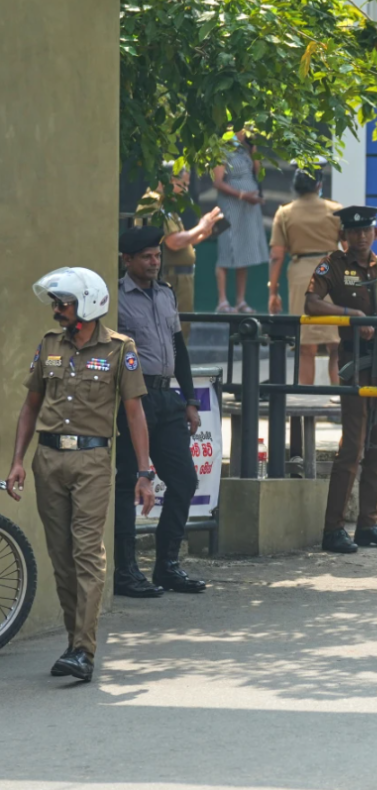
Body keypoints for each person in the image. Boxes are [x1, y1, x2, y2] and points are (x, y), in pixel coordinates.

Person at [5, 267, 153, 682]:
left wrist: (145, 472)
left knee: (87, 553)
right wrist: (18, 460)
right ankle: (75, 643)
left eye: (63, 303)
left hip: (91, 463)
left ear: (88, 304)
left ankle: (84, 651)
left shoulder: (121, 349)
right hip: (48, 461)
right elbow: (31, 407)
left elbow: (134, 413)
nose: (56, 311)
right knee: (61, 557)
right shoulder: (50, 345)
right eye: (55, 303)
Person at [306, 205, 377, 554]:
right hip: (355, 361)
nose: (360, 236)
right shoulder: (333, 266)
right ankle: (333, 529)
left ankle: (369, 524)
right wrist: (350, 315)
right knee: (352, 447)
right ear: (344, 236)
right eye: (353, 231)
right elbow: (311, 302)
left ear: (376, 233)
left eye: (366, 230)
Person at [114, 226, 207, 597]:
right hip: (131, 399)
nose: (155, 263)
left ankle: (167, 566)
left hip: (166, 398)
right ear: (128, 260)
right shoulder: (116, 299)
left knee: (184, 480)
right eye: (147, 257)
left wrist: (190, 399)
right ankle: (125, 572)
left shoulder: (166, 294)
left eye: (157, 256)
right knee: (126, 485)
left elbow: (179, 348)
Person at [268, 167, 343, 385]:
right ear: (319, 185)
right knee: (336, 344)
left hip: (301, 278)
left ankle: (304, 404)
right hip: (332, 274)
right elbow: (348, 247)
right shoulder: (335, 210)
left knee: (305, 347)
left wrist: (273, 292)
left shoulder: (284, 213)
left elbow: (276, 255)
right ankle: (338, 400)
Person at [132, 164, 223, 337]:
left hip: (180, 278)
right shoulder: (153, 203)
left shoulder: (166, 206)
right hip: (171, 278)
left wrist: (203, 231)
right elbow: (173, 242)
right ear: (169, 180)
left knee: (182, 330)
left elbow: (182, 241)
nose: (185, 190)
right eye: (183, 184)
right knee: (173, 333)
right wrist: (200, 227)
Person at [211, 129, 269, 313]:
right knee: (227, 248)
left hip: (248, 209)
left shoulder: (245, 151)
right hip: (230, 207)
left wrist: (254, 149)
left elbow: (257, 173)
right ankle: (222, 301)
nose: (244, 133)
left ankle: (240, 301)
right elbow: (218, 182)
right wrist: (243, 194)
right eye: (241, 130)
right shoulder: (220, 151)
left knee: (243, 250)